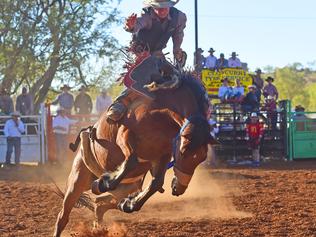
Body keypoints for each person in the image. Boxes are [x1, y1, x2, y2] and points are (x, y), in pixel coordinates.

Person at [107, 0, 187, 122]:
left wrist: (177, 51)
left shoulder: (179, 17)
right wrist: (131, 26)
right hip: (140, 53)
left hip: (158, 54)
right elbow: (136, 25)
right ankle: (119, 104)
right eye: (159, 7)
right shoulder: (145, 15)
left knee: (176, 77)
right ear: (152, 6)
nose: (162, 10)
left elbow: (178, 34)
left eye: (165, 6)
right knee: (141, 75)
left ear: (170, 5)